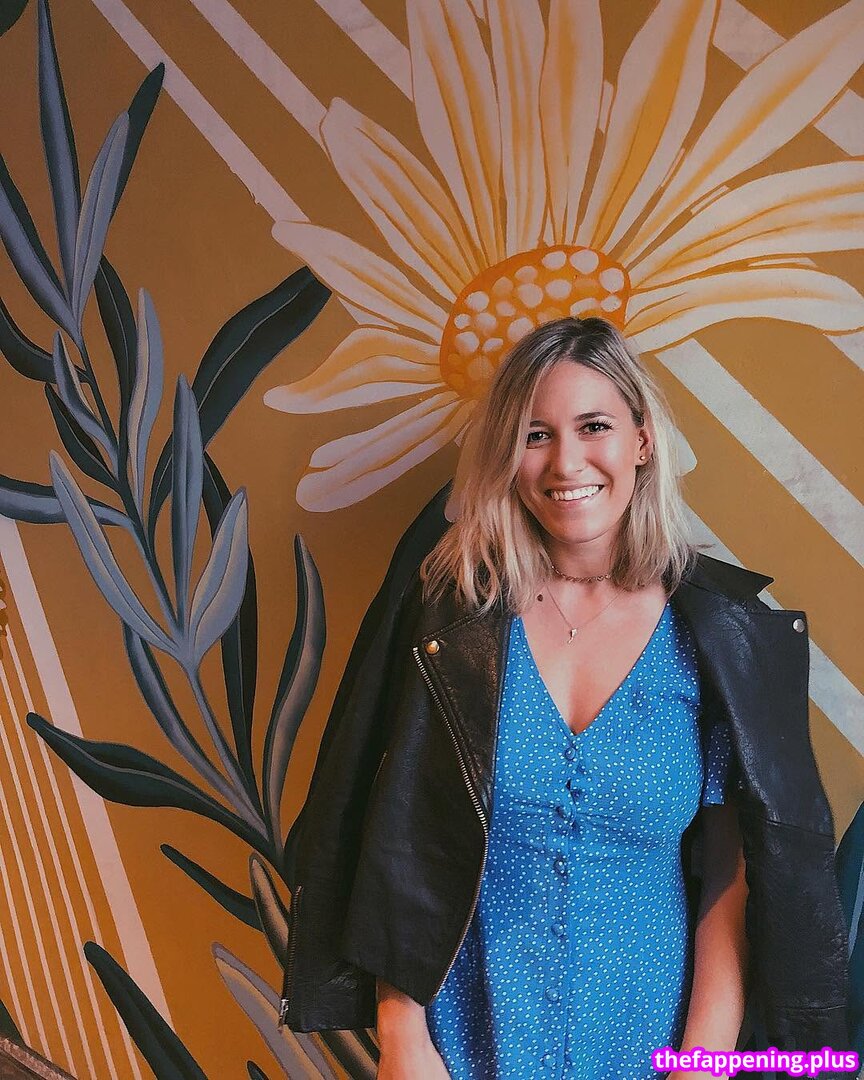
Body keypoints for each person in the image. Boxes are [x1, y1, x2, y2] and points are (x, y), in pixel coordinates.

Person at [279, 317, 849, 1080]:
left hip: (647, 1034)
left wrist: (702, 1063)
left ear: (641, 440)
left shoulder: (716, 634)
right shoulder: (449, 617)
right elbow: (398, 834)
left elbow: (731, 872)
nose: (566, 462)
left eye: (594, 427)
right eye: (535, 435)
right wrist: (402, 1037)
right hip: (464, 1034)